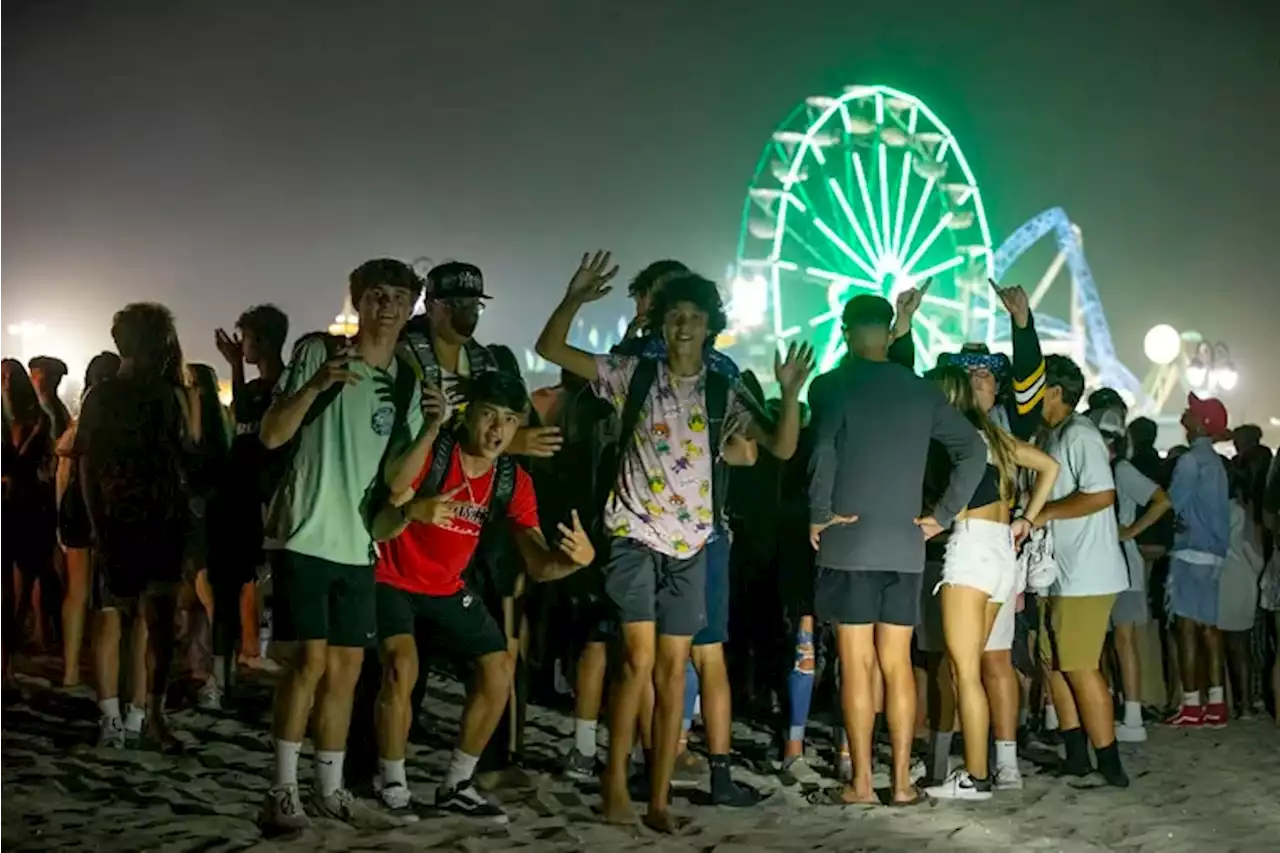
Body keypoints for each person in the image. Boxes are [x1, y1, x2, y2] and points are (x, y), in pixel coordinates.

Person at [535, 252, 811, 833]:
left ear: (711, 325)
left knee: (670, 672)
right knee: (635, 664)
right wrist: (575, 297)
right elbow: (552, 350)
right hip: (634, 536)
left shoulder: (723, 390)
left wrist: (790, 392)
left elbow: (782, 447)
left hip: (692, 545)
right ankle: (614, 783)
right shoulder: (631, 374)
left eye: (694, 315)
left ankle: (657, 799)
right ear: (661, 322)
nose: (683, 324)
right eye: (674, 314)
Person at [369, 370, 595, 820]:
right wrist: (415, 510)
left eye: (509, 420)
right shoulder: (435, 453)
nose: (497, 430)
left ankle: (457, 782)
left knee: (499, 668)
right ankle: (391, 781)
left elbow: (537, 564)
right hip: (390, 578)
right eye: (488, 416)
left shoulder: (512, 480)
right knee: (402, 665)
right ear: (467, 414)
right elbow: (379, 524)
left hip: (446, 587)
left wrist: (576, 561)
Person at [258, 259, 427, 830]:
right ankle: (282, 789)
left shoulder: (406, 380)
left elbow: (400, 481)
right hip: (303, 530)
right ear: (356, 301)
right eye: (376, 294)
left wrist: (431, 426)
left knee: (349, 669)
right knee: (306, 663)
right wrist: (315, 384)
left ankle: (329, 787)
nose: (387, 306)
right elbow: (272, 434)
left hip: (357, 544)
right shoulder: (317, 352)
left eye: (399, 297)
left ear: (411, 308)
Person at [807, 293, 986, 807]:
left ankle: (862, 783)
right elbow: (971, 450)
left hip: (850, 541)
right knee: (898, 666)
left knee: (856, 664)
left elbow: (822, 450)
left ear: (844, 331)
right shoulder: (922, 392)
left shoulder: (831, 386)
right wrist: (942, 515)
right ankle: (903, 784)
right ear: (890, 332)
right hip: (905, 545)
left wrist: (819, 512)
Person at [920, 365, 1059, 800]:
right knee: (975, 668)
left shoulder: (954, 438)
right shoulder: (993, 436)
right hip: (1003, 553)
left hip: (972, 550)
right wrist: (1028, 519)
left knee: (965, 673)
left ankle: (975, 776)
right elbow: (1049, 468)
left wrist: (936, 518)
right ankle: (978, 772)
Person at [77, 304, 190, 750]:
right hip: (132, 519)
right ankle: (127, 716)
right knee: (128, 619)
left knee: (136, 618)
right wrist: (97, 522)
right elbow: (88, 465)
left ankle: (132, 716)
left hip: (143, 518)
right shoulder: (111, 396)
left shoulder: (149, 395)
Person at [1032, 356, 1129, 787]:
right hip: (1063, 571)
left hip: (1086, 574)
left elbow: (1102, 494)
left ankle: (1109, 762)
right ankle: (1076, 755)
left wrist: (1044, 512)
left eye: (1032, 384)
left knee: (1079, 665)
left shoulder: (1079, 434)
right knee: (1055, 663)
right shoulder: (1057, 435)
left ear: (1054, 391)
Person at [209, 303, 290, 700]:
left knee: (252, 587)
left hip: (259, 498)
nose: (242, 346)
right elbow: (244, 416)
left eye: (246, 339)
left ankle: (240, 665)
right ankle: (224, 673)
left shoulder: (284, 388)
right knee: (230, 585)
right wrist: (236, 367)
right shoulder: (267, 386)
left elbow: (253, 429)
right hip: (243, 495)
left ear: (263, 339)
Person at [1089, 407, 1171, 742]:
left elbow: (1161, 500)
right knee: (1106, 643)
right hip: (1103, 563)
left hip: (1121, 563)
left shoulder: (1120, 469)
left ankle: (1133, 716)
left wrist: (1130, 531)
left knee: (1122, 641)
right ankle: (1118, 710)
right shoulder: (1106, 468)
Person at [1164, 393, 1231, 729]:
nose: (1185, 413)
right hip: (1214, 554)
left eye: (1192, 411)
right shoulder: (1217, 464)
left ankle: (1191, 703)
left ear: (1200, 424)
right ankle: (1216, 704)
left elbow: (1170, 505)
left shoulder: (1189, 462)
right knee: (1209, 630)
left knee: (1186, 628)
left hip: (1189, 551)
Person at [56, 352, 121, 687]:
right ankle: (106, 671)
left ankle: (69, 671)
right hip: (107, 507)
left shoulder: (77, 426)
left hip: (74, 507)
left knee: (77, 591)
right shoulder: (122, 420)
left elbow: (63, 475)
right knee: (107, 597)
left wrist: (59, 527)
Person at [0, 359, 55, 686]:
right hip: (11, 508)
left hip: (26, 509)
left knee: (18, 594)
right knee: (7, 591)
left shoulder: (36, 420)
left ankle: (9, 661)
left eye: (10, 377)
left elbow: (24, 465)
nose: (6, 383)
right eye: (1, 378)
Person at [28, 355, 72, 444]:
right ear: (32, 376)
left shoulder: (57, 406)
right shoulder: (25, 406)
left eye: (58, 378)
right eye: (47, 377)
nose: (54, 382)